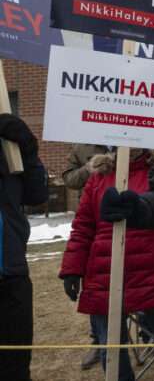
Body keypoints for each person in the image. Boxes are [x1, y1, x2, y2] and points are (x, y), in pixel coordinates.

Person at [59, 149, 154, 381]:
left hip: (153, 271)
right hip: (105, 274)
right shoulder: (98, 177)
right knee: (110, 345)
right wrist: (72, 268)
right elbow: (83, 227)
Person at [0, 114, 48, 381]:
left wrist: (28, 150)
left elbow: (37, 195)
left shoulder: (9, 150)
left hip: (12, 273)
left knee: (16, 366)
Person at [62, 143, 114, 370]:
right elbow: (70, 179)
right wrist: (90, 168)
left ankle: (147, 330)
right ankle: (99, 341)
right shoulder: (82, 146)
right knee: (96, 284)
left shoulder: (137, 139)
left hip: (133, 220)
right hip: (95, 219)